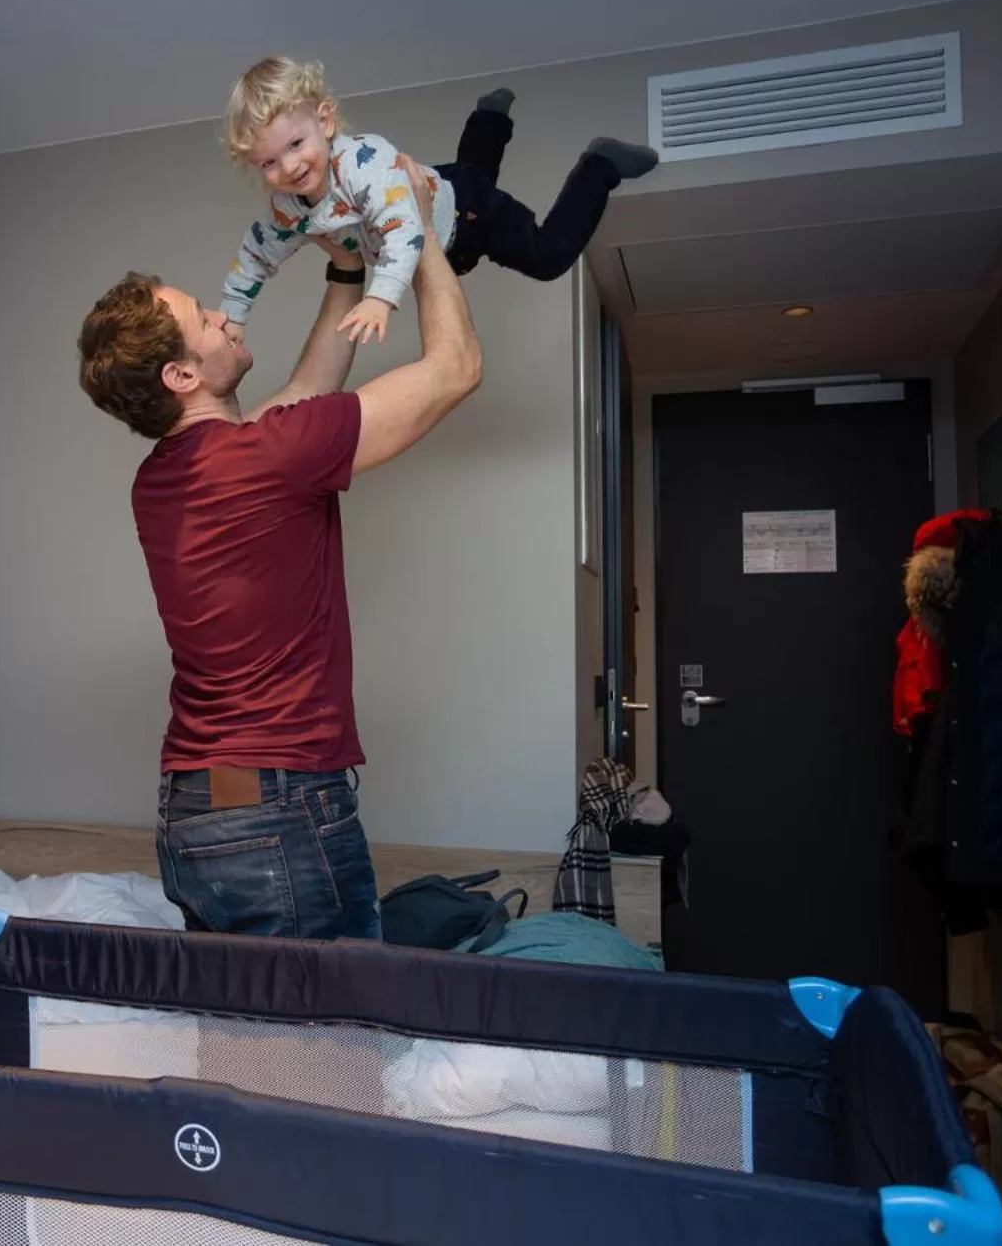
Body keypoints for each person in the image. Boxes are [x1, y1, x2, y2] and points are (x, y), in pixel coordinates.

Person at [77, 159, 482, 940]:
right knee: (329, 1057)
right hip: (280, 807)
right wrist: (417, 230)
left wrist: (346, 265)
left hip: (194, 810)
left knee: (239, 1046)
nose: (229, 318)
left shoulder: (160, 479)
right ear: (182, 372)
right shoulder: (271, 455)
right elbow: (456, 369)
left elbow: (302, 391)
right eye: (207, 318)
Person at [220, 56, 656, 345]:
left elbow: (405, 228)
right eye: (269, 163)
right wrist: (234, 315)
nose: (289, 167)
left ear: (326, 121)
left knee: (547, 257)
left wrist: (380, 297)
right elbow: (256, 253)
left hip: (467, 217)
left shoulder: (361, 168)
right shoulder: (288, 207)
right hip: (449, 194)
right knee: (473, 175)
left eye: (296, 144)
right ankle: (489, 118)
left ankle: (600, 165)